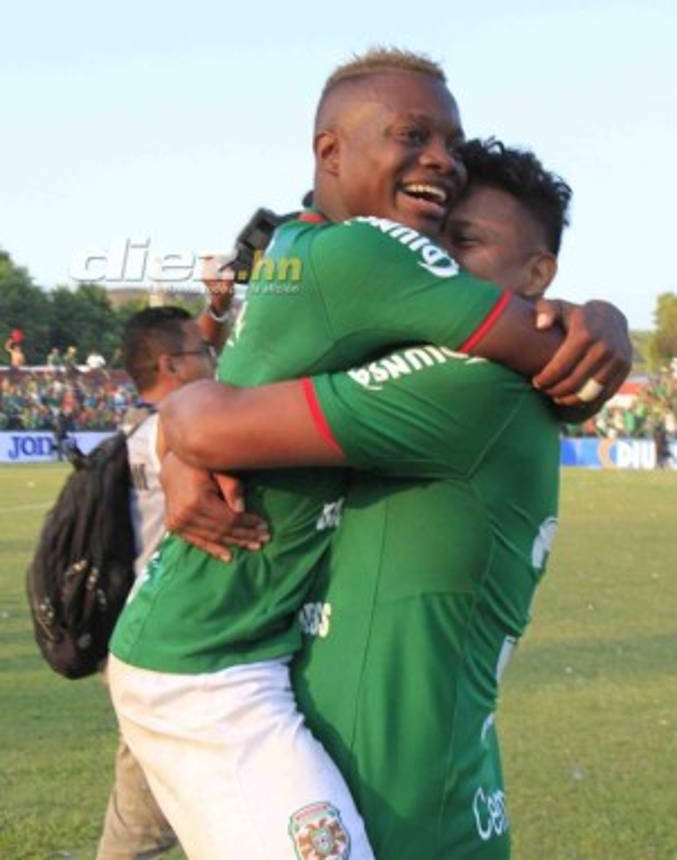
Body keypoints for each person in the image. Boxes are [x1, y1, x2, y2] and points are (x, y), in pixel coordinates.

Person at [108, 50, 631, 860]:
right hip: (231, 672)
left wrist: (600, 326)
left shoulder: (469, 383)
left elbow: (210, 417)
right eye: (430, 240)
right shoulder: (368, 302)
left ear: (537, 271)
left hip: (380, 776)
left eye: (458, 240)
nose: (431, 259)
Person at [97, 301, 236, 860]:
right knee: (143, 824)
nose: (213, 359)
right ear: (171, 366)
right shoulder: (175, 436)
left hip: (144, 637)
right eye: (203, 353)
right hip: (169, 652)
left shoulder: (136, 425)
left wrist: (218, 312)